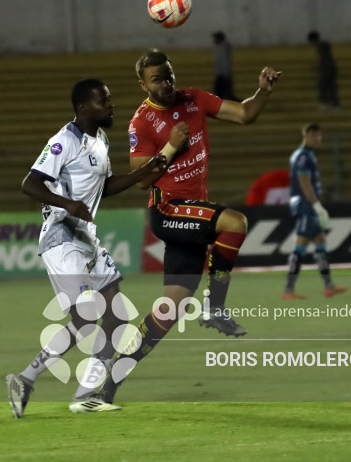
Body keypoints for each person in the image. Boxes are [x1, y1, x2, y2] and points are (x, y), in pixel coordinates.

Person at [95, 49, 281, 406]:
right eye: (156, 79)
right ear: (142, 85)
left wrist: (263, 92)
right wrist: (170, 147)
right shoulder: (142, 122)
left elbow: (243, 114)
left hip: (190, 214)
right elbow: (139, 179)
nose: (165, 84)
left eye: (168, 75)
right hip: (168, 210)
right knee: (235, 222)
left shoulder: (194, 99)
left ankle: (109, 384)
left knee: (170, 308)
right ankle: (215, 306)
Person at [5, 78, 168, 416]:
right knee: (85, 318)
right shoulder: (63, 141)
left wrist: (146, 172)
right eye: (103, 101)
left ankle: (85, 395)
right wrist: (67, 204)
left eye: (109, 99)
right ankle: (25, 378)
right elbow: (29, 184)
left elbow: (105, 186)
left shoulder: (101, 140)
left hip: (86, 238)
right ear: (83, 107)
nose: (110, 105)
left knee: (117, 317)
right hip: (61, 238)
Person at [283, 123, 347, 300]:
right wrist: (316, 206)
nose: (320, 139)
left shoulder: (306, 155)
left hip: (305, 205)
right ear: (308, 135)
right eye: (318, 136)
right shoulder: (303, 156)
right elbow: (305, 183)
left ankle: (328, 286)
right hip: (306, 205)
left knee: (318, 240)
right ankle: (289, 290)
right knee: (300, 246)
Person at [308, 31, 340, 110]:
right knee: (329, 87)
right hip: (329, 70)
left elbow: (325, 60)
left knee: (324, 87)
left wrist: (324, 69)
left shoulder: (321, 47)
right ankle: (332, 104)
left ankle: (329, 103)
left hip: (328, 70)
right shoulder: (323, 46)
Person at [212, 31, 238, 100]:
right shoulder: (219, 47)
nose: (214, 40)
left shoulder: (224, 46)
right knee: (223, 95)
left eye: (216, 38)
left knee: (224, 95)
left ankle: (242, 105)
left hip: (224, 75)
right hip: (221, 75)